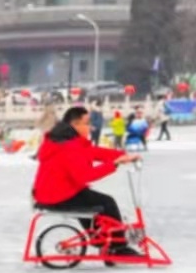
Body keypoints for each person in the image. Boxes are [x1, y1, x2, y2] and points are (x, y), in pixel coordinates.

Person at [31, 105, 142, 256]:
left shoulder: (66, 140)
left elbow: (92, 152)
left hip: (57, 191)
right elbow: (85, 176)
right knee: (107, 203)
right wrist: (114, 164)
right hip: (59, 195)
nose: (91, 127)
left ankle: (105, 242)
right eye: (87, 123)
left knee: (94, 203)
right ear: (75, 124)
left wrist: (120, 155)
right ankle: (117, 247)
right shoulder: (69, 146)